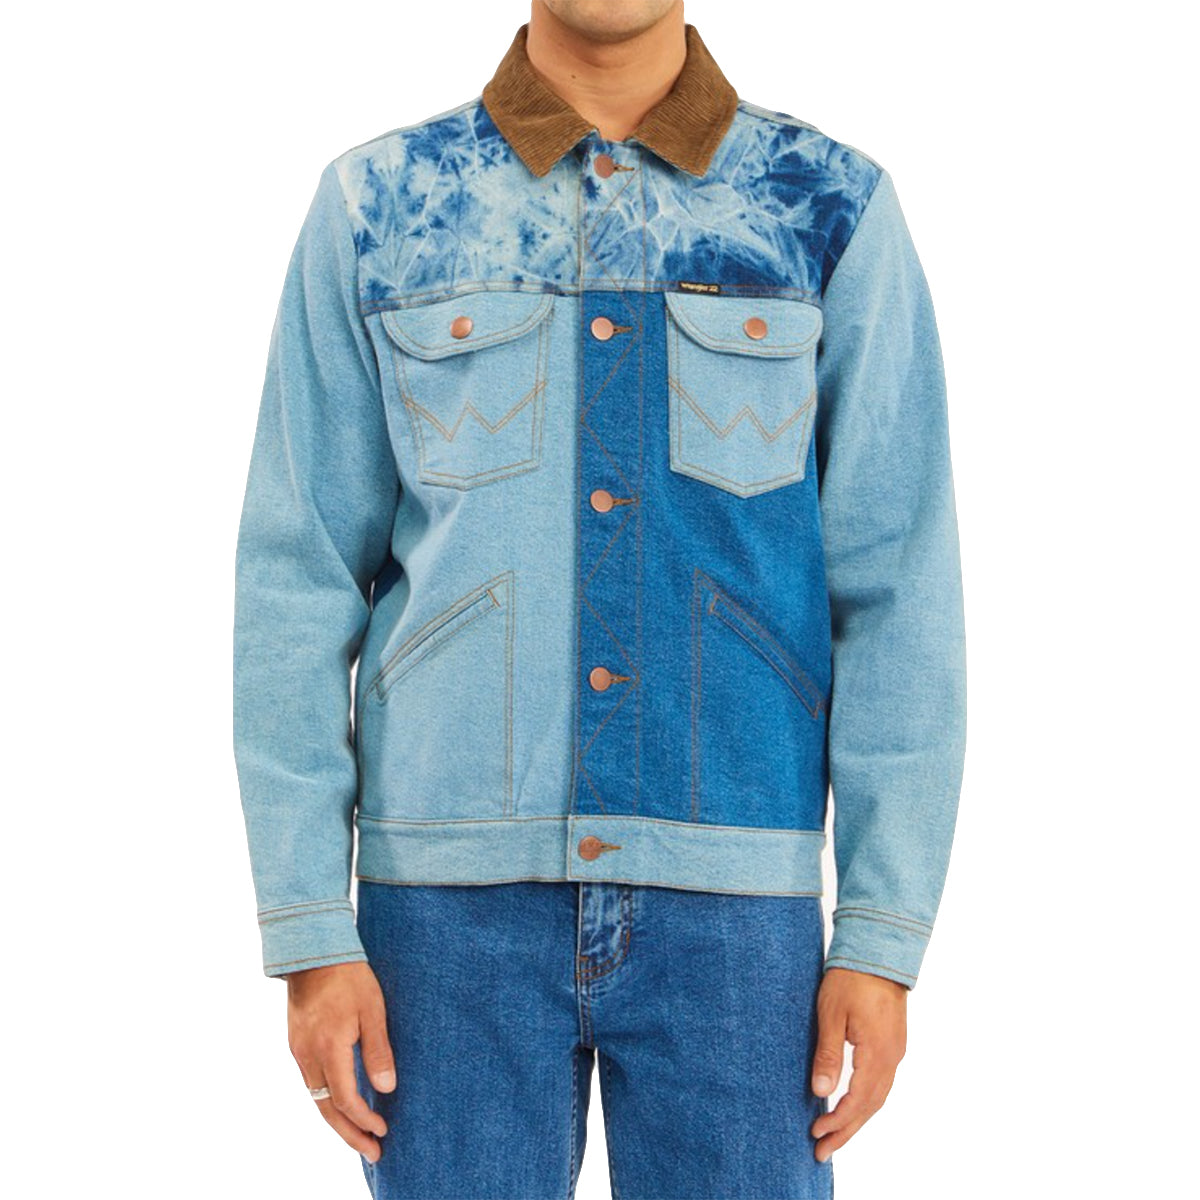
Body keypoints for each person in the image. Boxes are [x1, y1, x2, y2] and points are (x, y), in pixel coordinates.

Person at [231, 1, 967, 1196]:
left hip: (741, 919)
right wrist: (309, 923)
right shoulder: (382, 206)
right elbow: (296, 577)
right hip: (442, 923)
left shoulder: (826, 208)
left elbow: (898, 589)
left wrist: (883, 935)